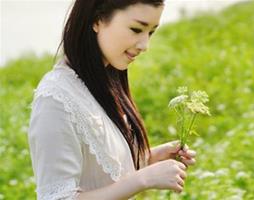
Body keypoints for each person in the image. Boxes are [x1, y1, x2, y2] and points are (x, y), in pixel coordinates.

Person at [27, 0, 196, 199]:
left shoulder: (104, 80)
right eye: (136, 29)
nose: (145, 45)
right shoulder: (55, 99)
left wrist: (149, 158)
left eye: (151, 32)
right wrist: (143, 179)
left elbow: (101, 173)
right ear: (97, 20)